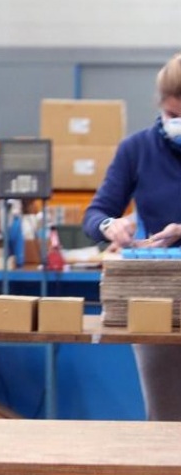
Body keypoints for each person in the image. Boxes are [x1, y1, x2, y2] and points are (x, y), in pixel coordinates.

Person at [84, 52, 181, 420]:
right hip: (157, 297)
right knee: (166, 419)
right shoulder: (137, 150)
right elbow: (95, 213)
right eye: (173, 115)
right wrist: (109, 225)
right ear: (160, 106)